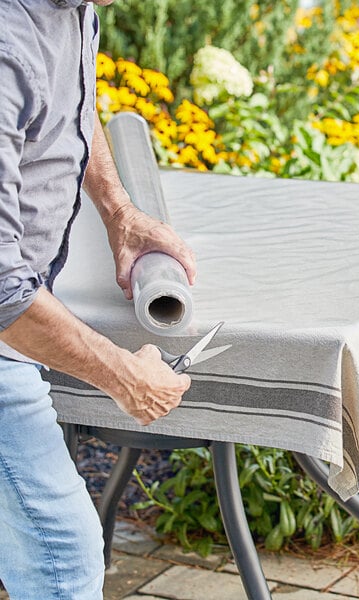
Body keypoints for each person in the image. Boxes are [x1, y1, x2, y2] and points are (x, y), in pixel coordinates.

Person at [0, 0, 197, 597]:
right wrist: (121, 376)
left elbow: (73, 109)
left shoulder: (74, 7)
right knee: (60, 552)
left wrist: (119, 212)